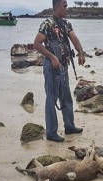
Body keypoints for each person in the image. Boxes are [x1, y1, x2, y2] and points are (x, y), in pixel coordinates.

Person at [34, 0, 85, 142]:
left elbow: (74, 38)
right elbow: (36, 44)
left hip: (64, 66)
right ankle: (51, 133)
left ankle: (69, 126)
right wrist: (52, 57)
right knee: (51, 98)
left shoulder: (66, 23)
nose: (67, 9)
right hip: (51, 67)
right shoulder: (47, 24)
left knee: (66, 96)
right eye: (65, 6)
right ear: (57, 7)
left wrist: (80, 52)